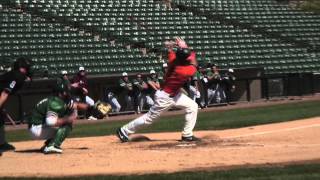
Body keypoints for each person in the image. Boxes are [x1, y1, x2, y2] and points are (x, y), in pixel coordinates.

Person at [116, 37, 199, 142]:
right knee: (149, 119)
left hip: (175, 94)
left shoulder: (174, 58)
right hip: (165, 97)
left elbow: (175, 53)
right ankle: (124, 130)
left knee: (193, 106)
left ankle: (187, 134)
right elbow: (194, 63)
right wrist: (184, 46)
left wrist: (173, 47)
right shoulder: (183, 71)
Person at [27, 81, 76, 154]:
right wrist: (68, 119)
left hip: (36, 127)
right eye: (65, 92)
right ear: (60, 93)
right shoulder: (55, 102)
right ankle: (52, 146)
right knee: (67, 124)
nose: (67, 93)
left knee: (63, 120)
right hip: (36, 129)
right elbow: (50, 122)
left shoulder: (53, 100)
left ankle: (47, 145)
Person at [0, 57, 32, 152]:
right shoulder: (18, 76)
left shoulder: (17, 75)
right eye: (27, 68)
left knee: (0, 119)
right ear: (21, 68)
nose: (28, 70)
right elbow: (5, 93)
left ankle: (1, 144)